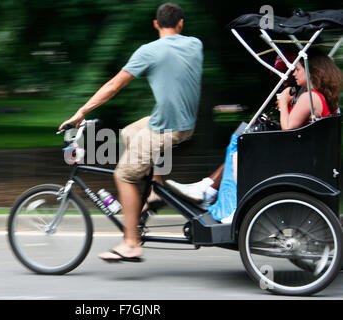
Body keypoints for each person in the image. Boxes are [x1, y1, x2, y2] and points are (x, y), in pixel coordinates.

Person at [58, 3, 203, 262]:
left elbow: (114, 85)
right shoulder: (195, 44)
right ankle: (156, 189)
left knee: (123, 175)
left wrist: (81, 112)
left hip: (166, 127)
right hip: (185, 123)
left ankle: (131, 243)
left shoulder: (148, 51)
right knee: (128, 132)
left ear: (156, 24)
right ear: (181, 23)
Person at [166, 48, 342, 223]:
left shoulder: (309, 97)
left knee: (240, 146)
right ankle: (208, 190)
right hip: (307, 155)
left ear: (313, 71)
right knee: (240, 141)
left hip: (296, 157)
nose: (294, 74)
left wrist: (282, 103)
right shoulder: (322, 98)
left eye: (298, 69)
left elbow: (288, 128)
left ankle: (221, 202)